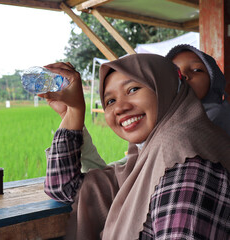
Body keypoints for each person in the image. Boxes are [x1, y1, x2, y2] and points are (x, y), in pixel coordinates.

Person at [39, 54, 230, 239]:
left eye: (132, 90)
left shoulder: (183, 160)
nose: (120, 108)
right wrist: (73, 111)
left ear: (165, 87)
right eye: (110, 101)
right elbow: (63, 187)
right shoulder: (140, 163)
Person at [166, 44, 230, 136]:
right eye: (174, 71)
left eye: (196, 70)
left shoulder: (216, 115)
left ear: (213, 81)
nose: (183, 75)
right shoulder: (164, 114)